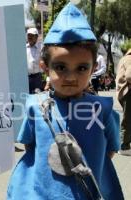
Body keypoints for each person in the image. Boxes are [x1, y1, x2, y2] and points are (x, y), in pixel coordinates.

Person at [7, 3, 124, 200]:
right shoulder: (34, 106)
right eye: (61, 67)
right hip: (43, 193)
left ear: (94, 67)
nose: (70, 77)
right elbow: (30, 146)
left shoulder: (103, 109)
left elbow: (111, 149)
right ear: (45, 67)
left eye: (81, 68)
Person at [116, 47, 131, 156]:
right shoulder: (130, 59)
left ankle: (124, 144)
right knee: (127, 119)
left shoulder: (124, 58)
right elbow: (130, 76)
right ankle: (124, 146)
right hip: (128, 92)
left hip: (123, 93)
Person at [26, 27, 43, 93]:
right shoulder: (24, 47)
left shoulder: (41, 47)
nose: (29, 37)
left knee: (38, 96)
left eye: (32, 35)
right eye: (28, 35)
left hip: (37, 78)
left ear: (36, 37)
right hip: (27, 78)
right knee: (28, 95)